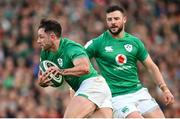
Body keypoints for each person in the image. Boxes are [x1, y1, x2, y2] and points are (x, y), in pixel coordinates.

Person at [84, 5, 174, 118]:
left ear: (124, 19)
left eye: (116, 19)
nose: (113, 22)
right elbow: (78, 58)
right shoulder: (97, 43)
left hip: (138, 92)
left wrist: (164, 89)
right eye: (109, 19)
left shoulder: (134, 42)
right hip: (117, 97)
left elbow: (151, 66)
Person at [36, 19, 112, 118]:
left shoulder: (71, 48)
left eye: (41, 37)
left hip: (93, 85)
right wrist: (41, 82)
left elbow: (85, 68)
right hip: (85, 89)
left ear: (52, 37)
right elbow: (42, 75)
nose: (38, 41)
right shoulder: (45, 52)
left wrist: (60, 71)